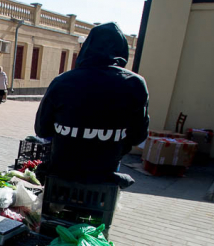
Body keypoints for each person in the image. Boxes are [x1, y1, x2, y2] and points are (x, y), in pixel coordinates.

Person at [34, 22, 149, 187]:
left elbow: (42, 129)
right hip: (105, 176)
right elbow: (139, 135)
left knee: (55, 205)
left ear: (86, 48)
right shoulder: (134, 84)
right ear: (122, 50)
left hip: (61, 173)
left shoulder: (62, 81)